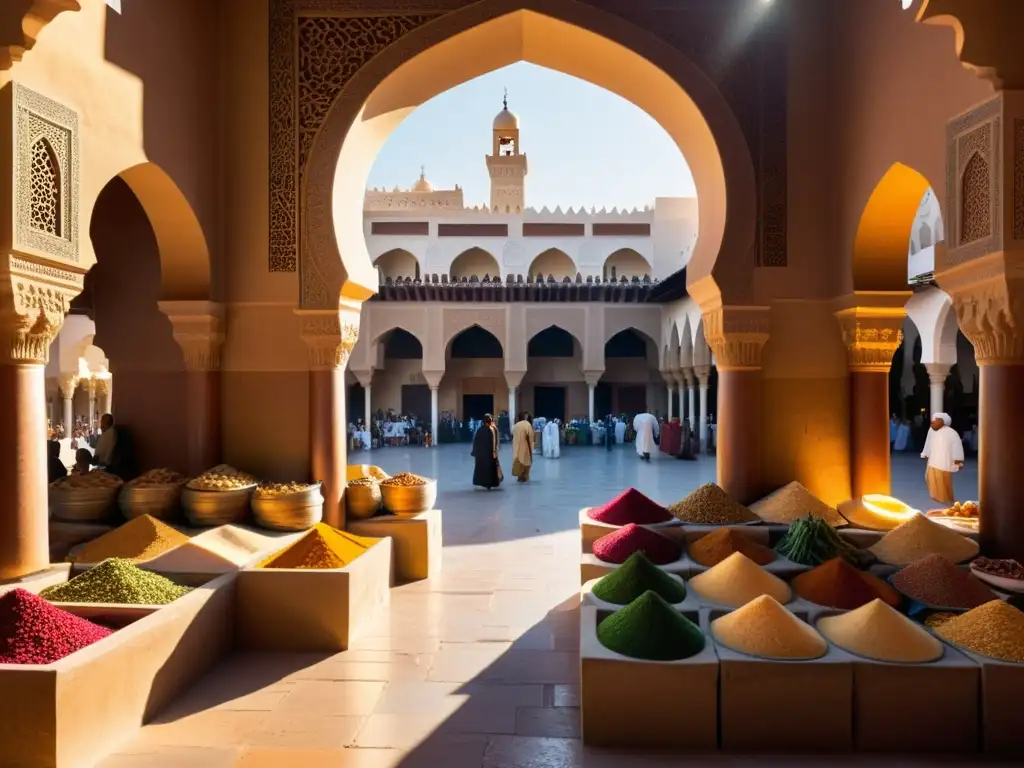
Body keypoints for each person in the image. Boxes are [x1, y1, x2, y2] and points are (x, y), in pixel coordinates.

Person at [921, 412, 964, 504]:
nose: (933, 422)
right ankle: (935, 495)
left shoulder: (952, 432)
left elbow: (957, 446)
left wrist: (958, 459)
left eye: (936, 420)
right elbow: (928, 443)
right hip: (933, 461)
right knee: (930, 478)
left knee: (943, 481)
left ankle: (946, 498)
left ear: (943, 422)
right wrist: (925, 453)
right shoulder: (931, 431)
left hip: (944, 462)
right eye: (933, 420)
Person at [471, 414, 502, 490]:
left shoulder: (479, 430)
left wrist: (475, 453)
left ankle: (483, 482)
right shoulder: (491, 430)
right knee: (489, 470)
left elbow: (475, 442)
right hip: (489, 455)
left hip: (481, 455)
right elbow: (493, 443)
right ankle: (489, 483)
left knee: (482, 470)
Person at [512, 412, 535, 482]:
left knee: (518, 462)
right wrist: (531, 448)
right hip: (525, 448)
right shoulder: (527, 425)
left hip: (516, 447)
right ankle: (525, 476)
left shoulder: (516, 425)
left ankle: (519, 476)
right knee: (526, 463)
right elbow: (530, 437)